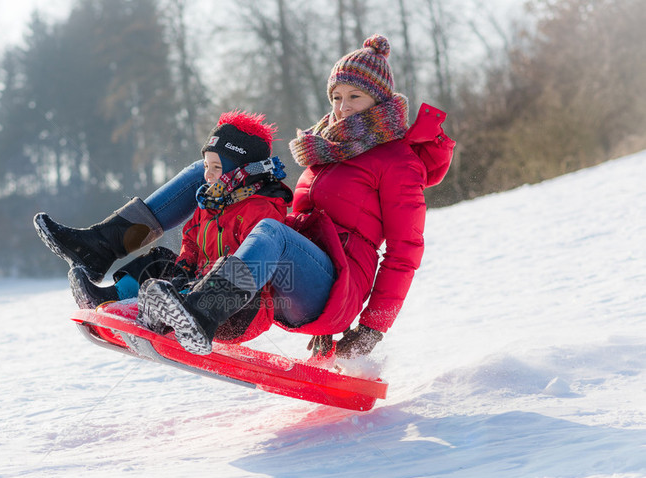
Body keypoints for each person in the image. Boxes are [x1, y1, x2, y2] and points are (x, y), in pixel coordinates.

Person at [136, 34, 455, 356]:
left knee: (272, 231)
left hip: (338, 291)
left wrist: (372, 329)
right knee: (219, 187)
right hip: (294, 282)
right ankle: (154, 294)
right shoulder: (327, 150)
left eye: (354, 97)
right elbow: (311, 229)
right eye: (336, 97)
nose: (342, 108)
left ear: (379, 100)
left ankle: (202, 313)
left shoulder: (398, 160)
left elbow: (405, 251)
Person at [35, 110, 293, 343]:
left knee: (221, 272)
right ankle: (113, 298)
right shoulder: (210, 201)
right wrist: (184, 267)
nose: (208, 175)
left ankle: (169, 311)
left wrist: (202, 281)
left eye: (217, 167)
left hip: (241, 308)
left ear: (243, 172)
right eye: (206, 166)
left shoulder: (261, 207)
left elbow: (255, 260)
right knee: (160, 261)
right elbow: (191, 240)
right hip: (198, 290)